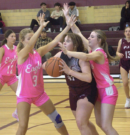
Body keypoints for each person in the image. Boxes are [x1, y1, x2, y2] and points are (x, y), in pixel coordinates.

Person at [59, 3, 119, 135]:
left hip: (108, 90)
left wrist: (68, 52)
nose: (89, 38)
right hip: (98, 89)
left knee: (106, 126)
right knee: (99, 123)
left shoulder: (99, 53)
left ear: (99, 41)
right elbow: (78, 33)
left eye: (92, 37)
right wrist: (68, 18)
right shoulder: (93, 49)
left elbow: (85, 56)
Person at [15, 13, 76, 135]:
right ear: (22, 41)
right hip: (24, 96)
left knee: (57, 120)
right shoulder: (21, 55)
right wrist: (40, 27)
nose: (33, 40)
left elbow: (55, 40)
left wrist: (68, 26)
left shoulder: (38, 52)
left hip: (40, 94)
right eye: (29, 38)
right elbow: (31, 43)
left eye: (33, 37)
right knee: (23, 127)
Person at [43, 33, 99, 135]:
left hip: (87, 90)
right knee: (83, 122)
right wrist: (51, 67)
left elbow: (88, 78)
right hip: (73, 91)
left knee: (81, 123)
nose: (64, 42)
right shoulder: (60, 55)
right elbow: (45, 65)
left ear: (76, 45)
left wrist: (70, 72)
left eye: (68, 41)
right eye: (64, 40)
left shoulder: (81, 57)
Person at [0, 30, 18, 119]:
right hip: (1, 76)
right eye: (12, 36)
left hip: (12, 77)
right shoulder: (2, 49)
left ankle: (17, 113)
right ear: (6, 38)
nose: (14, 38)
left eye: (15, 36)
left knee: (21, 94)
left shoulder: (16, 48)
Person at [116, 26, 130, 108]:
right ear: (124, 33)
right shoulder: (121, 41)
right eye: (126, 31)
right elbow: (117, 51)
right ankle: (128, 99)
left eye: (129, 31)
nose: (128, 32)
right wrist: (118, 54)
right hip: (124, 63)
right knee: (125, 83)